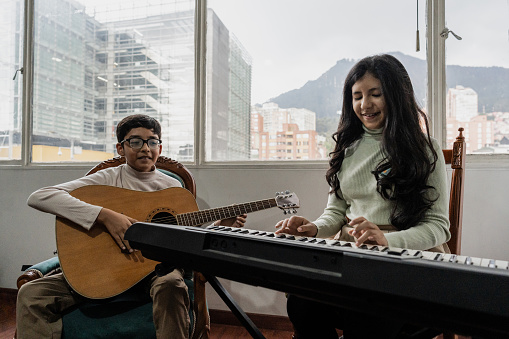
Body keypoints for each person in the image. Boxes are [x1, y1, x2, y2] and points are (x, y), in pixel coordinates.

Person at [16, 114, 246, 339]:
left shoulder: (173, 188)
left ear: (160, 148)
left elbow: (186, 236)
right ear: (120, 148)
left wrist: (219, 226)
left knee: (172, 284)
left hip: (155, 270)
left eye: (152, 141)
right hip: (104, 270)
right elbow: (40, 196)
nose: (146, 148)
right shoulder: (107, 178)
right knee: (31, 294)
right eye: (135, 141)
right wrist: (105, 216)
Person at [275, 54, 450, 338]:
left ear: (396, 96)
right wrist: (314, 228)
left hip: (408, 262)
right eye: (357, 96)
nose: (364, 104)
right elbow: (335, 212)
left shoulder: (425, 150)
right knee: (301, 303)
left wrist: (386, 241)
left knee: (367, 314)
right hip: (354, 259)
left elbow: (438, 227)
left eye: (375, 94)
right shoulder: (348, 150)